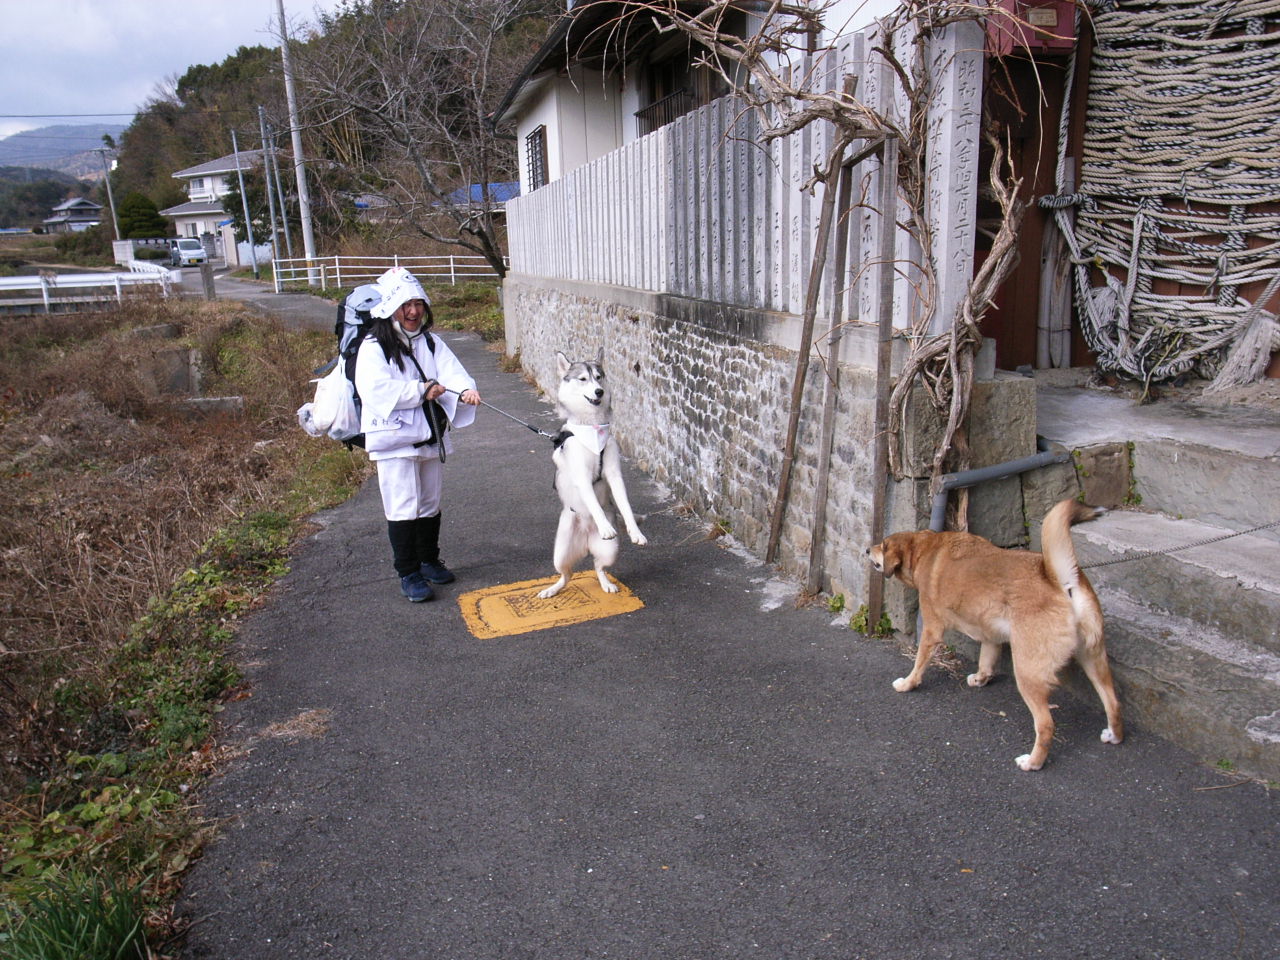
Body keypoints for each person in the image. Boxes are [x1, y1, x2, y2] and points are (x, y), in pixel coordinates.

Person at [354, 267, 481, 602]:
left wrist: (465, 390)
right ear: (391, 307)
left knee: (429, 502)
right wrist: (420, 391)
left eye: (418, 304)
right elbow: (374, 389)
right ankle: (408, 572)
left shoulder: (430, 341)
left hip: (429, 435)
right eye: (405, 305)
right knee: (403, 505)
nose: (413, 312)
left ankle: (429, 561)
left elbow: (453, 372)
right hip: (394, 440)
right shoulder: (374, 346)